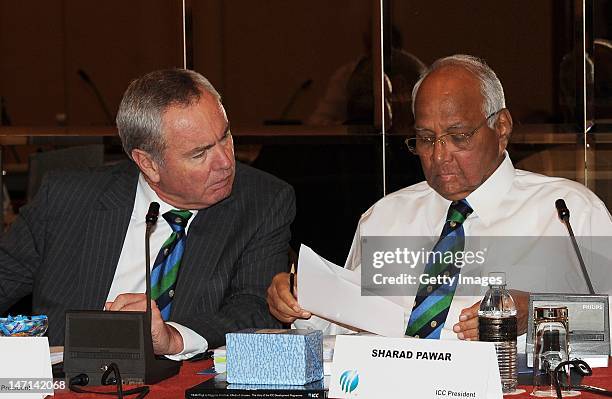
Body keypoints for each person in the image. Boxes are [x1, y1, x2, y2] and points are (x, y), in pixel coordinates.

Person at [267, 54, 612, 342]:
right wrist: (303, 303)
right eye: (425, 139)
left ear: (502, 128)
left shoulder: (567, 212)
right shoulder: (385, 217)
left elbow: (608, 324)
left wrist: (537, 315)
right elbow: (346, 323)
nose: (439, 156)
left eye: (458, 136)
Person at [0, 69, 295, 359]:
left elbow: (256, 308)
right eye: (199, 153)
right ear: (148, 164)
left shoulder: (262, 200)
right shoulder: (67, 199)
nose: (225, 161)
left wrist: (174, 337)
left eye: (225, 137)